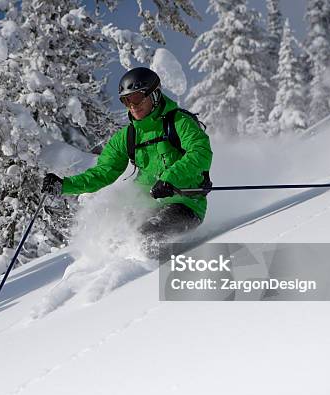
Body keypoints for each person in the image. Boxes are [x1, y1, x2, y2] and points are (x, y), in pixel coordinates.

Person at [42, 67, 213, 257]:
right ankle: (106, 280)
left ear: (154, 95)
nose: (132, 105)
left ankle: (143, 279)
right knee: (114, 240)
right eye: (126, 100)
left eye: (137, 98)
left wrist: (169, 179)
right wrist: (64, 185)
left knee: (146, 238)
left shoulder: (179, 122)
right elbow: (103, 172)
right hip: (145, 207)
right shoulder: (128, 136)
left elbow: (200, 153)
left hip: (184, 204)